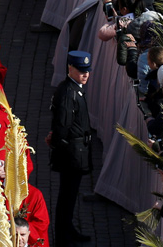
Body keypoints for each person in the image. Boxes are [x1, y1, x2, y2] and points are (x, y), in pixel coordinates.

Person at [48, 51, 93, 247]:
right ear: (70, 69)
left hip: (76, 151)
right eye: (81, 71)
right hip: (71, 154)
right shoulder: (69, 92)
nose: (85, 75)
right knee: (66, 196)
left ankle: (68, 229)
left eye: (87, 71)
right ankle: (63, 237)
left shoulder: (75, 88)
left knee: (70, 195)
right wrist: (59, 146)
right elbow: (62, 126)